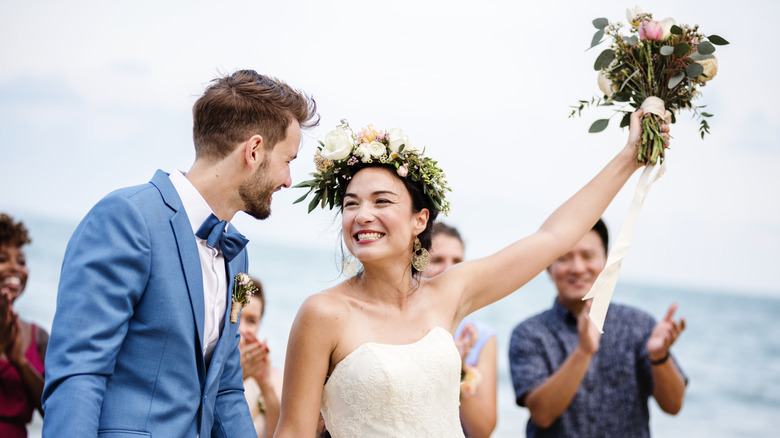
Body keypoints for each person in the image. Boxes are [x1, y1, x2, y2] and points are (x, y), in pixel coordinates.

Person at [274, 111, 670, 437]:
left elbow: (553, 237)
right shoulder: (323, 313)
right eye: (350, 204)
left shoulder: (449, 292)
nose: (362, 215)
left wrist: (630, 157)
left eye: (382, 201)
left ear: (419, 219)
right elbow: (293, 432)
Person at [41, 70, 318, 437]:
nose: (287, 180)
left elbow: (226, 390)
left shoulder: (235, 253)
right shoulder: (128, 218)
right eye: (288, 160)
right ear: (253, 151)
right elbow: (79, 373)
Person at [508, 218, 687, 438]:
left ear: (606, 262)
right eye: (564, 257)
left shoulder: (639, 325)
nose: (577, 268)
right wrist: (583, 351)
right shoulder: (529, 333)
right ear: (548, 268)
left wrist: (659, 357)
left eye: (588, 256)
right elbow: (542, 414)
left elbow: (674, 405)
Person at [424, 222, 497, 438]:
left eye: (458, 261)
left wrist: (458, 369)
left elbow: (482, 431)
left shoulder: (480, 336)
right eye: (437, 260)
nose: (451, 269)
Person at [0, 213, 47, 438]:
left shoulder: (38, 337)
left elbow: (55, 411)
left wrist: (20, 361)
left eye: (21, 261)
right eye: (2, 259)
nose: (15, 268)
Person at [238, 276, 284, 438]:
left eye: (251, 321)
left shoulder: (275, 378)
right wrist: (236, 378)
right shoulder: (203, 373)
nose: (242, 328)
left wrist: (265, 384)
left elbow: (283, 432)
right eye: (236, 316)